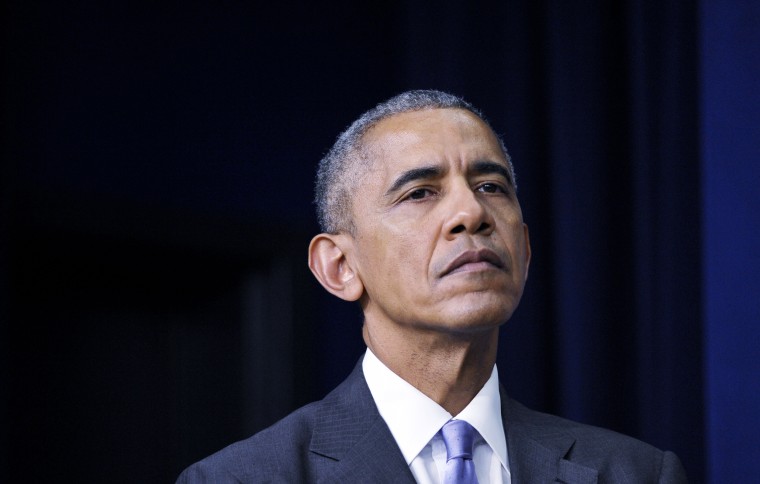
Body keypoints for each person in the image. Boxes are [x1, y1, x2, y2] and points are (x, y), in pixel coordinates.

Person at [177, 90, 687, 483]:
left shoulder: (638, 473)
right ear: (339, 267)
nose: (471, 213)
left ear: (525, 251)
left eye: (491, 187)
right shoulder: (241, 477)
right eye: (421, 193)